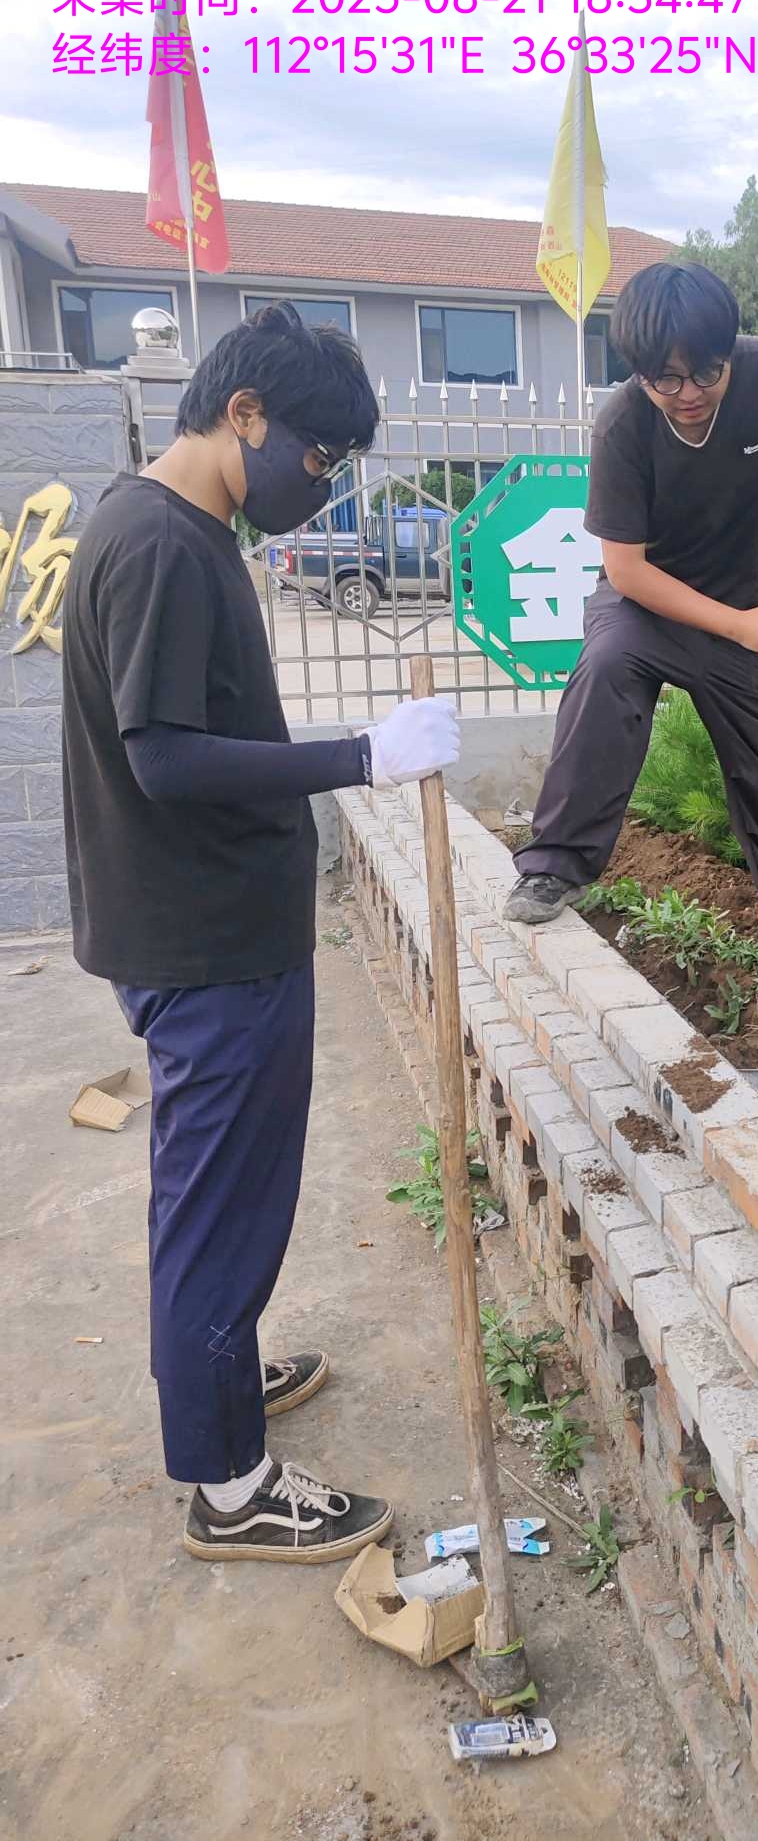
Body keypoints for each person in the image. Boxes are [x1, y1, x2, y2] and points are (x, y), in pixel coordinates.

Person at [60, 302, 461, 1564]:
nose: (321, 486)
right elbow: (168, 759)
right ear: (245, 416)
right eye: (319, 456)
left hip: (204, 929)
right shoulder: (162, 547)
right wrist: (361, 756)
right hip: (206, 946)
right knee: (219, 1213)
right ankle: (231, 1486)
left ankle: (219, 1376)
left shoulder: (172, 526)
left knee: (220, 1201)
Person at [508, 262, 758, 962]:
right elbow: (626, 569)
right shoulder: (622, 426)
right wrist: (742, 627)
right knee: (605, 670)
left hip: (737, 591)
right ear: (639, 371)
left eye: (706, 373)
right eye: (665, 380)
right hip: (645, 602)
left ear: (728, 352)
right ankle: (553, 867)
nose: (689, 394)